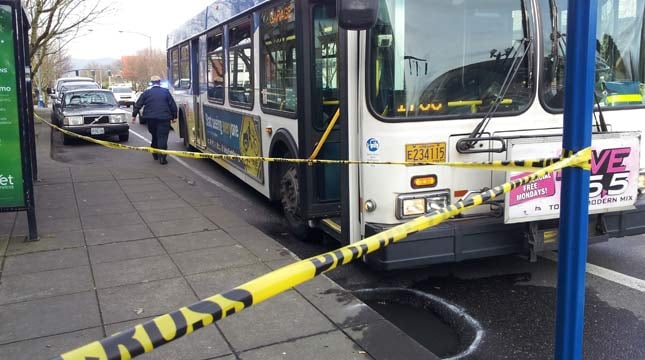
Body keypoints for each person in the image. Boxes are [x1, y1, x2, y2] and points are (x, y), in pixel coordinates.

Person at [132, 76, 178, 165]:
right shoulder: (165, 92)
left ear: (151, 83)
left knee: (155, 136)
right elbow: (172, 105)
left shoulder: (147, 93)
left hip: (151, 119)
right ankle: (163, 158)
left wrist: (134, 115)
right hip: (164, 118)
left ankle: (154, 153)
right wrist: (174, 117)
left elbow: (138, 104)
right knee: (162, 137)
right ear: (159, 82)